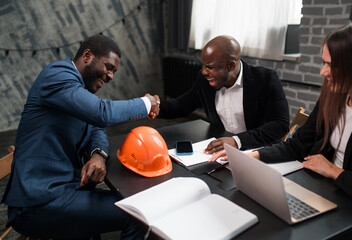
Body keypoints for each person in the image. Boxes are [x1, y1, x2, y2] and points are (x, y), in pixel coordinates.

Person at [1, 35, 160, 239]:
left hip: (65, 189)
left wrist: (98, 155)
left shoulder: (78, 89)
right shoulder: (57, 75)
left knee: (126, 206)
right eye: (108, 67)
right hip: (37, 202)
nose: (111, 76)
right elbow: (102, 113)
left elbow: (97, 127)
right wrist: (146, 103)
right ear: (87, 56)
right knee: (138, 214)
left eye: (114, 71)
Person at [218, 21, 352, 200]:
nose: (323, 72)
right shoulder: (332, 98)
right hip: (322, 187)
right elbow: (297, 145)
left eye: (331, 65)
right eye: (323, 63)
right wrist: (251, 156)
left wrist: (335, 171)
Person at [159, 35, 289, 154]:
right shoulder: (204, 80)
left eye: (209, 67)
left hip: (257, 153)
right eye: (203, 66)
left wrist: (238, 141)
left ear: (231, 66)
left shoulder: (265, 79)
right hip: (222, 154)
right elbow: (181, 105)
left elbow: (280, 125)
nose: (204, 72)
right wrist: (150, 105)